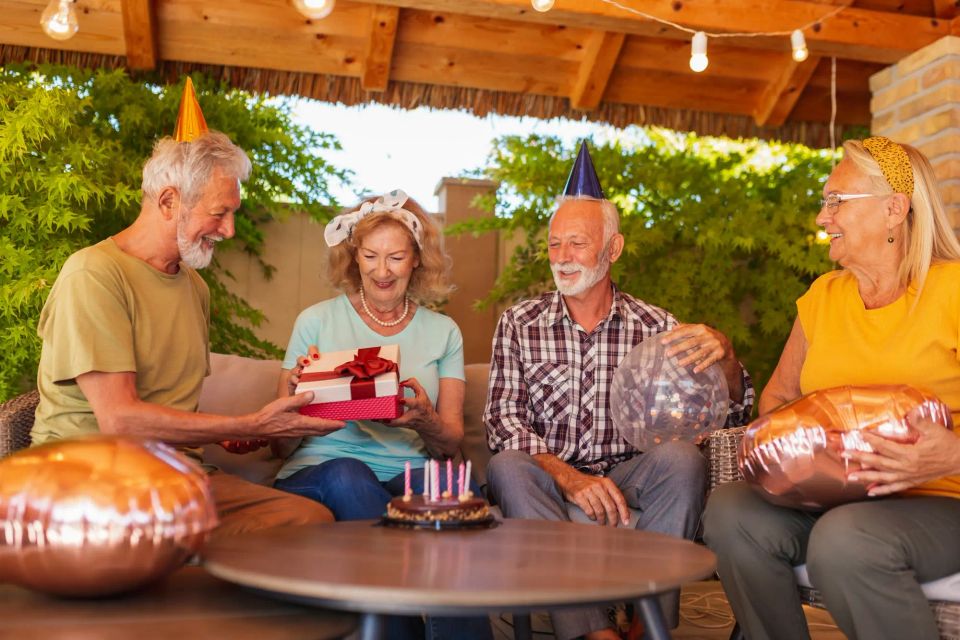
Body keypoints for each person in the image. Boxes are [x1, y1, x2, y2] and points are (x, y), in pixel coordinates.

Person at [32, 85, 345, 539]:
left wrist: (239, 433)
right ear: (167, 202)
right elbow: (120, 420)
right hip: (91, 477)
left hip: (175, 477)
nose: (230, 230)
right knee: (165, 538)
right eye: (219, 213)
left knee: (307, 522)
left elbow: (173, 410)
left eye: (233, 213)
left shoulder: (195, 288)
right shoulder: (95, 273)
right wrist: (245, 423)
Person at [483, 142, 755, 640]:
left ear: (613, 249)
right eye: (553, 244)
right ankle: (592, 633)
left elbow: (732, 414)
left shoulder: (659, 326)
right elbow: (504, 424)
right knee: (507, 467)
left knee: (681, 460)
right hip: (548, 480)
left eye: (577, 244)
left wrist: (728, 359)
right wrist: (570, 480)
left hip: (630, 476)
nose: (562, 258)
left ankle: (644, 627)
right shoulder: (519, 323)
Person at [703, 136, 960, 640]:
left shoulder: (952, 292)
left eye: (835, 202)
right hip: (835, 497)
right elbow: (776, 399)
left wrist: (951, 457)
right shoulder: (824, 297)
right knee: (732, 512)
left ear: (894, 210)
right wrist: (797, 456)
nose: (823, 218)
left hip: (942, 500)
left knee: (846, 540)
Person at [272, 189, 491, 640]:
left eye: (395, 257)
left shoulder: (443, 331)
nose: (381, 270)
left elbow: (450, 442)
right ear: (353, 258)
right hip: (322, 468)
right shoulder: (314, 321)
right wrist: (296, 397)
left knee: (459, 489)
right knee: (350, 474)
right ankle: (405, 621)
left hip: (407, 471)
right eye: (370, 256)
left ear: (417, 260)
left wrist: (424, 419)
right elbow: (278, 443)